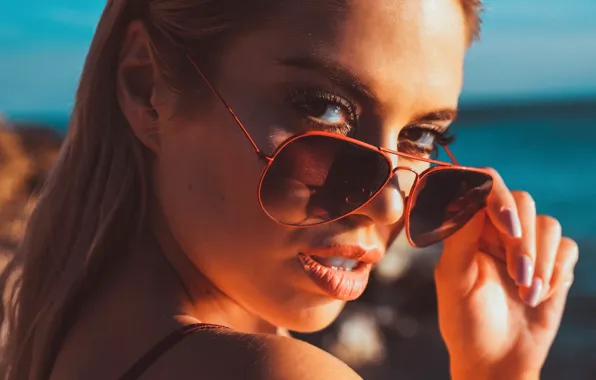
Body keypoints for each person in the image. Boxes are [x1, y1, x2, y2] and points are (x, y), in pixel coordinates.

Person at [0, 0, 579, 379]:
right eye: (327, 111)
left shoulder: (67, 339)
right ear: (148, 85)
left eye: (422, 136)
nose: (391, 205)